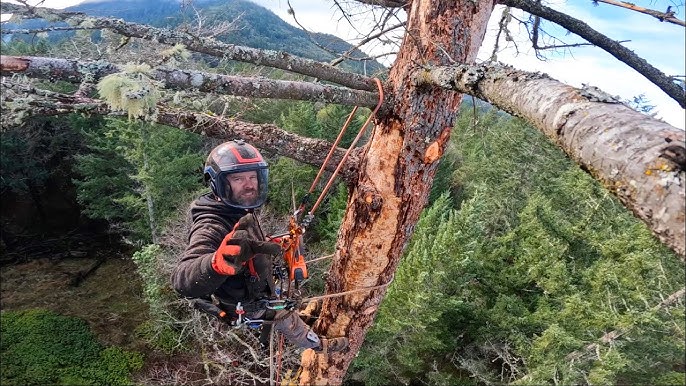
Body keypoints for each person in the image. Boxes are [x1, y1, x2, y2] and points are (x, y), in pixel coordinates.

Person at [171, 139, 348, 353]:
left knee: (284, 297)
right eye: (238, 178)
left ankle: (284, 328)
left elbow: (248, 242)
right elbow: (182, 279)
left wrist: (271, 243)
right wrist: (216, 263)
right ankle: (319, 345)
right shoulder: (212, 224)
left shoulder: (236, 207)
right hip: (249, 305)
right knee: (286, 319)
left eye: (252, 177)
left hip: (258, 288)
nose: (249, 185)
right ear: (217, 183)